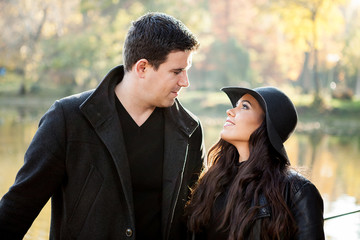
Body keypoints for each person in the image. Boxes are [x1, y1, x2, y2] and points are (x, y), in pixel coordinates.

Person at [0, 12, 205, 240]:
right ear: (142, 68)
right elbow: (17, 209)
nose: (185, 81)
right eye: (177, 71)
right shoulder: (67, 119)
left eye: (186, 71)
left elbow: (194, 221)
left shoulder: (190, 130)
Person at [185, 86, 324, 240]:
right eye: (235, 105)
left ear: (266, 125)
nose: (230, 111)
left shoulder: (297, 192)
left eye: (244, 106)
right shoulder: (212, 179)